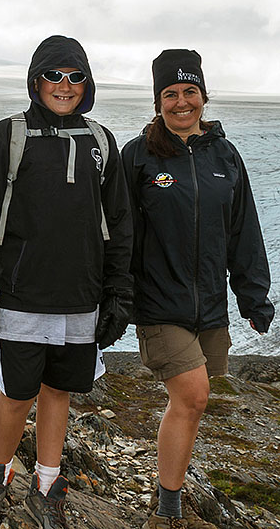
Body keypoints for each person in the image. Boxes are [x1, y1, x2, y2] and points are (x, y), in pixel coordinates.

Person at [0, 35, 133, 528]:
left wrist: (119, 291)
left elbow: (118, 222)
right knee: (16, 393)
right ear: (36, 81)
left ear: (87, 84)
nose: (64, 86)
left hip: (81, 297)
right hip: (21, 296)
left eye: (75, 77)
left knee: (59, 391)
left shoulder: (100, 141)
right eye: (54, 76)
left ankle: (48, 481)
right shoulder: (8, 136)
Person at [122, 50, 274, 529]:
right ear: (157, 101)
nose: (181, 102)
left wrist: (253, 295)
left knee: (190, 402)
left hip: (209, 304)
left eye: (190, 92)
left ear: (204, 97)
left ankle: (169, 491)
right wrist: (116, 296)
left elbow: (242, 230)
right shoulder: (139, 156)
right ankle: (166, 511)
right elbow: (120, 233)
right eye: (170, 93)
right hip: (158, 302)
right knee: (192, 396)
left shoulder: (225, 156)